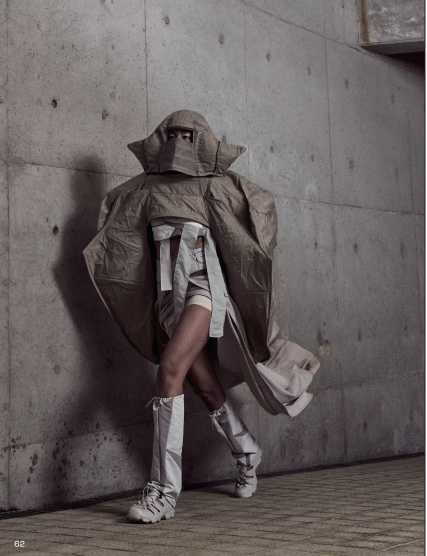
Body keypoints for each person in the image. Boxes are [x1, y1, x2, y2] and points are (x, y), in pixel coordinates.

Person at [84, 110, 329, 524]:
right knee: (206, 387)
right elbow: (118, 222)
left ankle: (163, 493)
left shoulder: (215, 185)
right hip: (166, 299)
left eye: (187, 135)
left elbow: (257, 208)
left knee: (168, 370)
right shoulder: (145, 188)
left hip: (203, 288)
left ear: (200, 141)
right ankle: (247, 450)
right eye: (172, 134)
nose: (179, 141)